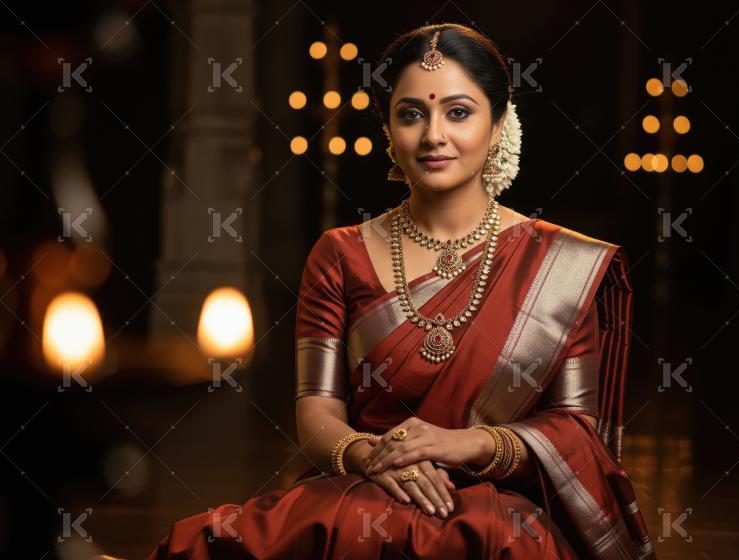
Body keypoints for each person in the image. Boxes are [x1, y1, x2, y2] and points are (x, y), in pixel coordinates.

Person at [148, 23, 655, 559]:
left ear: (499, 123)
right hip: (366, 483)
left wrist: (464, 443)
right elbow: (317, 410)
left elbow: (576, 429)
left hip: (500, 502)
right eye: (412, 114)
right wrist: (376, 456)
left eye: (458, 112)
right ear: (390, 129)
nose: (434, 135)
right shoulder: (341, 253)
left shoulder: (562, 265)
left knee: (490, 535)